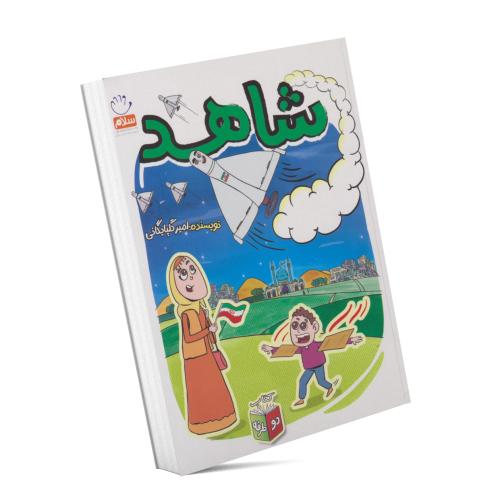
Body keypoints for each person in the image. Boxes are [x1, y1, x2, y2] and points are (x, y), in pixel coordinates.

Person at [167, 253, 237, 434]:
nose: (190, 277)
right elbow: (189, 338)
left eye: (192, 270)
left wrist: (212, 333)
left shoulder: (201, 307)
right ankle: (202, 424)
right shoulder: (186, 312)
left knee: (215, 386)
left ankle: (225, 418)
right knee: (201, 389)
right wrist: (208, 331)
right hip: (195, 358)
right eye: (183, 274)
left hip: (207, 353)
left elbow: (207, 330)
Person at [261, 305, 363, 407]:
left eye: (303, 326)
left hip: (319, 366)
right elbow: (286, 351)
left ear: (314, 327)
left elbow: (335, 343)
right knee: (302, 381)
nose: (298, 331)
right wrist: (272, 349)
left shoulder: (317, 345)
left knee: (321, 381)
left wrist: (351, 340)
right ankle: (301, 399)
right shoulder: (300, 348)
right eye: (294, 326)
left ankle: (330, 387)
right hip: (309, 368)